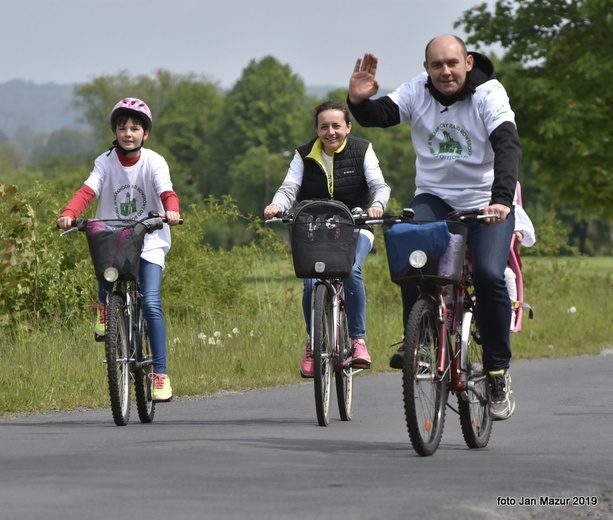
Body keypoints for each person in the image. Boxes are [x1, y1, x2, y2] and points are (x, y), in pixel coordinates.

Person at [347, 35, 522, 420]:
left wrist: (502, 200)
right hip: (436, 198)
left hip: (484, 199)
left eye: (452, 63)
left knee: (491, 275)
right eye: (437, 65)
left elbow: (507, 144)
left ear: (468, 62)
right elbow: (382, 115)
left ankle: (497, 371)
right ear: (427, 68)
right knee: (411, 252)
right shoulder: (417, 91)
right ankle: (422, 344)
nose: (445, 72)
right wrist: (359, 102)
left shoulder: (489, 94)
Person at [57, 98, 181, 403]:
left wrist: (172, 211)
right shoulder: (105, 161)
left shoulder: (154, 161)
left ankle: (161, 374)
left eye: (135, 128)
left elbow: (167, 191)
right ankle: (106, 309)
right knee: (104, 263)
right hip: (115, 235)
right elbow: (89, 190)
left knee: (150, 302)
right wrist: (69, 212)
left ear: (145, 134)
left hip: (149, 238)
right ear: (115, 130)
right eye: (122, 128)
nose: (128, 133)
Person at [263, 100, 391, 378]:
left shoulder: (362, 149)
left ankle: (358, 341)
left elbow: (379, 185)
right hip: (315, 228)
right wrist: (277, 205)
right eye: (324, 126)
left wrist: (377, 204)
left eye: (336, 125)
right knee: (311, 282)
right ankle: (313, 344)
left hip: (356, 225)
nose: (330, 131)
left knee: (352, 270)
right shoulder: (304, 154)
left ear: (347, 127)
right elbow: (289, 187)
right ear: (317, 129)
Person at [505, 183, 535, 331]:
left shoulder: (508, 187)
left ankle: (511, 310)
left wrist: (520, 233)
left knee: (507, 274)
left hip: (497, 255)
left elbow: (523, 224)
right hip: (458, 256)